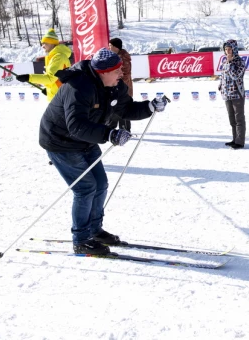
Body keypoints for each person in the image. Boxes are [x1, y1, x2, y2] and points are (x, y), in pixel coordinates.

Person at [39, 47, 168, 255]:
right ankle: (81, 239)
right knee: (85, 188)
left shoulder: (114, 86)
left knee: (101, 183)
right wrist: (109, 134)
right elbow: (76, 125)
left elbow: (126, 109)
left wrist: (150, 107)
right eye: (117, 70)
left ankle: (94, 230)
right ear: (103, 72)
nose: (122, 74)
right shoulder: (79, 87)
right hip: (60, 141)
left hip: (85, 140)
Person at [16, 28, 72, 102]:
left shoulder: (58, 57)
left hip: (61, 99)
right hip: (58, 96)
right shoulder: (53, 56)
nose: (42, 46)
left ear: (51, 43)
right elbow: (56, 79)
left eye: (44, 43)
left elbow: (50, 78)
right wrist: (49, 90)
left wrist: (29, 77)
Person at [219, 39, 246, 149]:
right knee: (232, 119)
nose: (227, 51)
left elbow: (235, 75)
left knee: (239, 119)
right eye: (226, 49)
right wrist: (220, 85)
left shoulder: (240, 62)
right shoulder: (224, 62)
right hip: (227, 94)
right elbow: (223, 76)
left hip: (237, 94)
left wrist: (230, 62)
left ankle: (240, 141)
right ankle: (235, 139)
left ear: (234, 50)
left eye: (229, 49)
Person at [109, 38, 133, 132]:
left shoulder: (122, 58)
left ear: (116, 47)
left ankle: (125, 129)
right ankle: (113, 127)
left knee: (124, 108)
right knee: (115, 108)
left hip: (124, 89)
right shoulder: (117, 57)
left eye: (110, 46)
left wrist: (113, 79)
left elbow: (125, 75)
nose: (109, 47)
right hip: (118, 88)